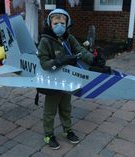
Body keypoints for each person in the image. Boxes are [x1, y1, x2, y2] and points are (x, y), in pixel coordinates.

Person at [37, 9, 94, 150]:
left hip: (68, 80)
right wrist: (59, 61)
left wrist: (94, 60)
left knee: (66, 108)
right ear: (50, 23)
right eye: (55, 23)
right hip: (52, 82)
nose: (59, 26)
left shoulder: (69, 38)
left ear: (67, 24)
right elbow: (44, 63)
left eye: (62, 23)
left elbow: (80, 50)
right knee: (50, 111)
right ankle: (48, 134)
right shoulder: (45, 40)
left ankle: (67, 130)